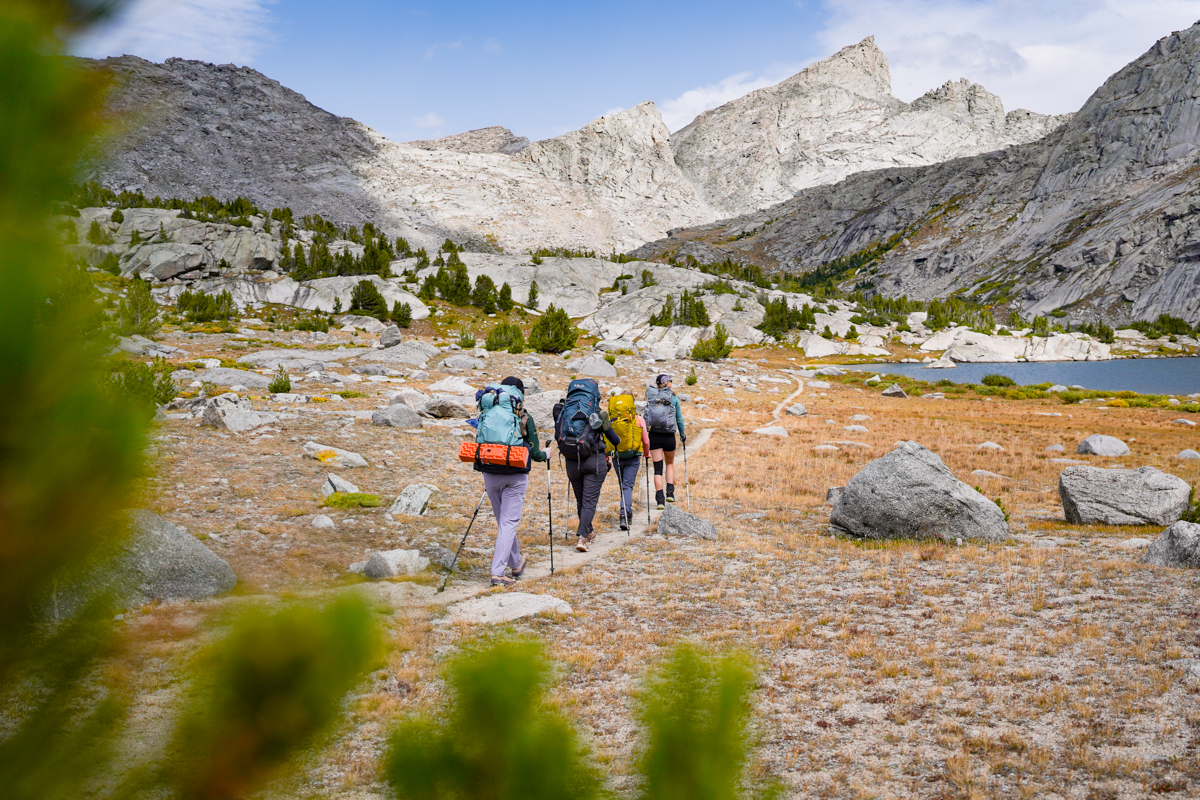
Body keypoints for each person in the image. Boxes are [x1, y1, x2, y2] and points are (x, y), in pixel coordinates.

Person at [473, 376, 549, 587]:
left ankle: (516, 563)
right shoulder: (524, 416)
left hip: (489, 470)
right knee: (508, 523)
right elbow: (534, 453)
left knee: (503, 522)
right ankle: (497, 573)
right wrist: (546, 454)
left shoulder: (487, 411)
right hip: (515, 474)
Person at [553, 383, 620, 552]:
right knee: (589, 501)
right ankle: (582, 538)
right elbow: (615, 440)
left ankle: (588, 531)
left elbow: (557, 434)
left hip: (571, 460)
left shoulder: (563, 410)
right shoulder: (598, 413)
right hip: (593, 461)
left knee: (581, 499)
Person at [607, 389, 650, 530]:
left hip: (617, 456)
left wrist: (607, 454)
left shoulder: (613, 418)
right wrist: (646, 453)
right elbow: (646, 441)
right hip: (633, 457)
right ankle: (624, 514)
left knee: (623, 485)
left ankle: (627, 512)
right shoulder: (638, 419)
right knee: (628, 486)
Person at [646, 373, 685, 508]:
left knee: (657, 469)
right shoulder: (673, 398)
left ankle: (660, 501)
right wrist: (682, 434)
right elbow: (679, 419)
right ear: (667, 384)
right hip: (668, 435)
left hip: (654, 435)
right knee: (669, 464)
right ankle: (670, 494)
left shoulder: (651, 397)